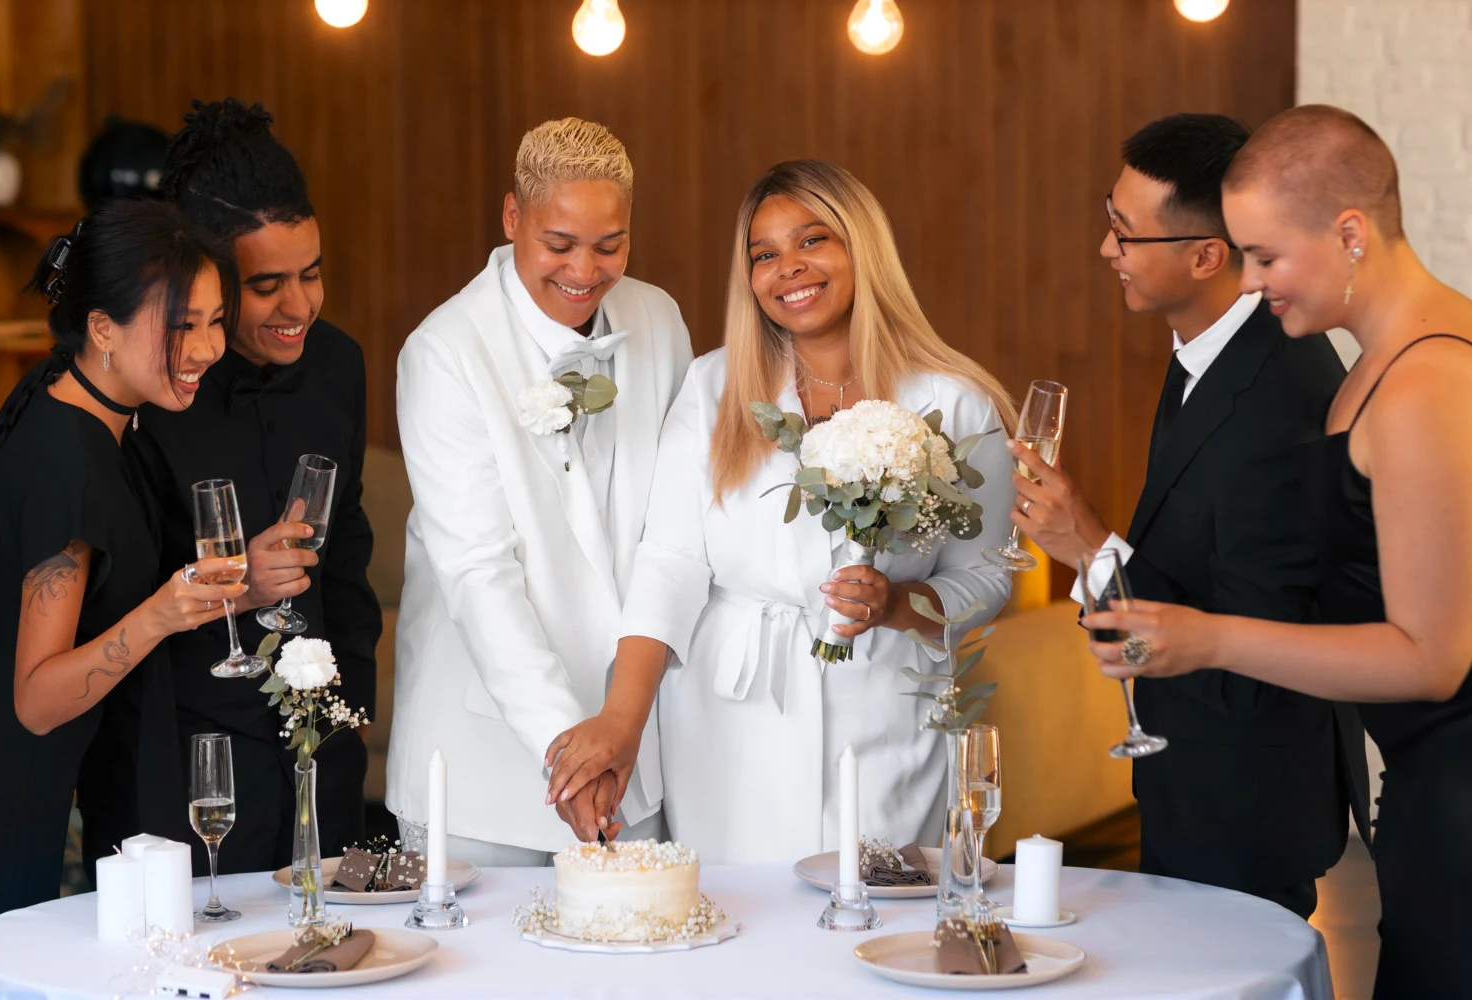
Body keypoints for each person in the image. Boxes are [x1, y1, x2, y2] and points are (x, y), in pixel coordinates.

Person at [1085, 105, 1472, 998]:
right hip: (1418, 789)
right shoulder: (1376, 365)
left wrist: (1207, 637)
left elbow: (1434, 657)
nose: (1251, 284)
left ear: (1349, 233)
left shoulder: (1422, 382)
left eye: (1263, 258)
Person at [544, 159, 1017, 863]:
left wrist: (897, 605)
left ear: (862, 247)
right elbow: (670, 564)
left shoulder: (953, 402)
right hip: (731, 715)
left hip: (887, 708)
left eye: (812, 241)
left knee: (878, 920)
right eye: (763, 255)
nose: (787, 268)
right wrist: (623, 719)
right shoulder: (714, 387)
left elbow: (988, 578)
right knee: (742, 927)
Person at [1010, 113, 1366, 919]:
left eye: (1126, 235)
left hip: (1247, 799)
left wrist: (1091, 545)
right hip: (1198, 781)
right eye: (1110, 218)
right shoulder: (1210, 350)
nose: (1107, 251)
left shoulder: (1279, 397)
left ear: (1208, 255)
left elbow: (1262, 646)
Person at [387, 118, 693, 865]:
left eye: (610, 244)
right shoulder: (444, 353)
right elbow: (477, 572)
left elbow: (677, 532)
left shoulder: (659, 318)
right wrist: (571, 752)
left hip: (635, 762)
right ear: (512, 217)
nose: (584, 269)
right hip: (484, 769)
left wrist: (619, 731)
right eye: (558, 244)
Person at [122, 98, 381, 873]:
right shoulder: (156, 392)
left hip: (321, 753)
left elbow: (348, 561)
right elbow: (126, 599)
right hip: (197, 767)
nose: (297, 305)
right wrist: (236, 584)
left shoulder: (339, 365)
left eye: (313, 273)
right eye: (267, 286)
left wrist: (347, 721)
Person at [0, 200, 246, 928]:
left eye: (215, 320)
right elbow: (34, 700)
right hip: (12, 814)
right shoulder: (67, 462)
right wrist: (161, 612)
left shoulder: (81, 405)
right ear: (102, 329)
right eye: (180, 326)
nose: (207, 348)